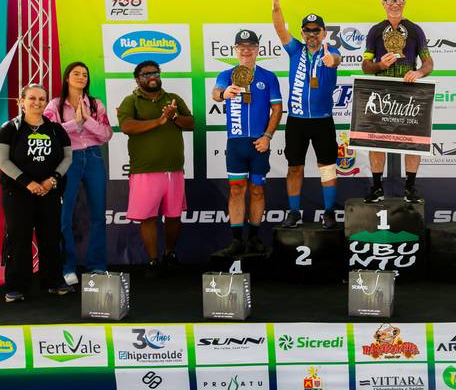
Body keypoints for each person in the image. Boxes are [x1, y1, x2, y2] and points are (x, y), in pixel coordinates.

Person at [271, 0, 341, 229]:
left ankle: (329, 212)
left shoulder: (331, 51)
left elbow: (336, 60)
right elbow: (280, 29)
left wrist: (331, 60)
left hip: (323, 120)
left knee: (327, 168)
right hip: (297, 121)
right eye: (307, 30)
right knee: (294, 167)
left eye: (316, 30)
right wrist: (276, 4)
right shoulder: (295, 50)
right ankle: (293, 212)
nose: (312, 34)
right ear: (302, 32)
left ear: (324, 33)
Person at [117, 61, 194, 277]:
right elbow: (127, 126)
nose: (152, 76)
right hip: (144, 170)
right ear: (137, 79)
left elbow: (191, 123)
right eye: (146, 74)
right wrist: (159, 121)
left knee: (174, 216)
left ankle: (169, 254)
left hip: (174, 170)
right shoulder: (131, 101)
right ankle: (153, 260)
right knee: (148, 217)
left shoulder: (173, 99)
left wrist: (174, 117)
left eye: (155, 73)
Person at [211, 29, 282, 258]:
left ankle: (253, 238)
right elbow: (215, 93)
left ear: (258, 50)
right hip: (236, 144)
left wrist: (267, 136)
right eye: (241, 46)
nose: (246, 50)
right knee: (236, 189)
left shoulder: (268, 77)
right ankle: (236, 240)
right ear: (235, 50)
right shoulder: (227, 74)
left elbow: (277, 109)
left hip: (259, 144)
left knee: (257, 190)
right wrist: (224, 94)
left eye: (250, 46)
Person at [0, 84, 74, 301]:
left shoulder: (56, 129)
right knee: (18, 238)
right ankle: (16, 287)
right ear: (21, 102)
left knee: (51, 236)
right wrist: (28, 183)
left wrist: (53, 179)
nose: (37, 102)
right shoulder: (9, 129)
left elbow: (67, 157)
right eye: (32, 98)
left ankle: (54, 282)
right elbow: (2, 160)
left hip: (49, 191)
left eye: (42, 99)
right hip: (17, 192)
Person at [361, 0, 434, 203]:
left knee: (413, 141)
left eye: (398, 0)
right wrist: (380, 65)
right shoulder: (375, 31)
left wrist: (419, 72)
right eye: (390, 0)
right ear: (383, 4)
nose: (395, 4)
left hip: (408, 93)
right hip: (381, 94)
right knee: (376, 141)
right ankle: (377, 187)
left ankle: (410, 188)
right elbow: (365, 66)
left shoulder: (415, 30)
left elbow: (428, 62)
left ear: (404, 2)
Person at [44, 62, 113, 286]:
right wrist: (75, 123)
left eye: (85, 74)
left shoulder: (95, 104)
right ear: (67, 77)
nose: (81, 77)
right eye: (76, 73)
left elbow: (106, 134)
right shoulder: (55, 104)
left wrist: (88, 120)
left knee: (98, 214)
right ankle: (67, 267)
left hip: (93, 157)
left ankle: (97, 266)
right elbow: (50, 132)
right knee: (64, 215)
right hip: (67, 158)